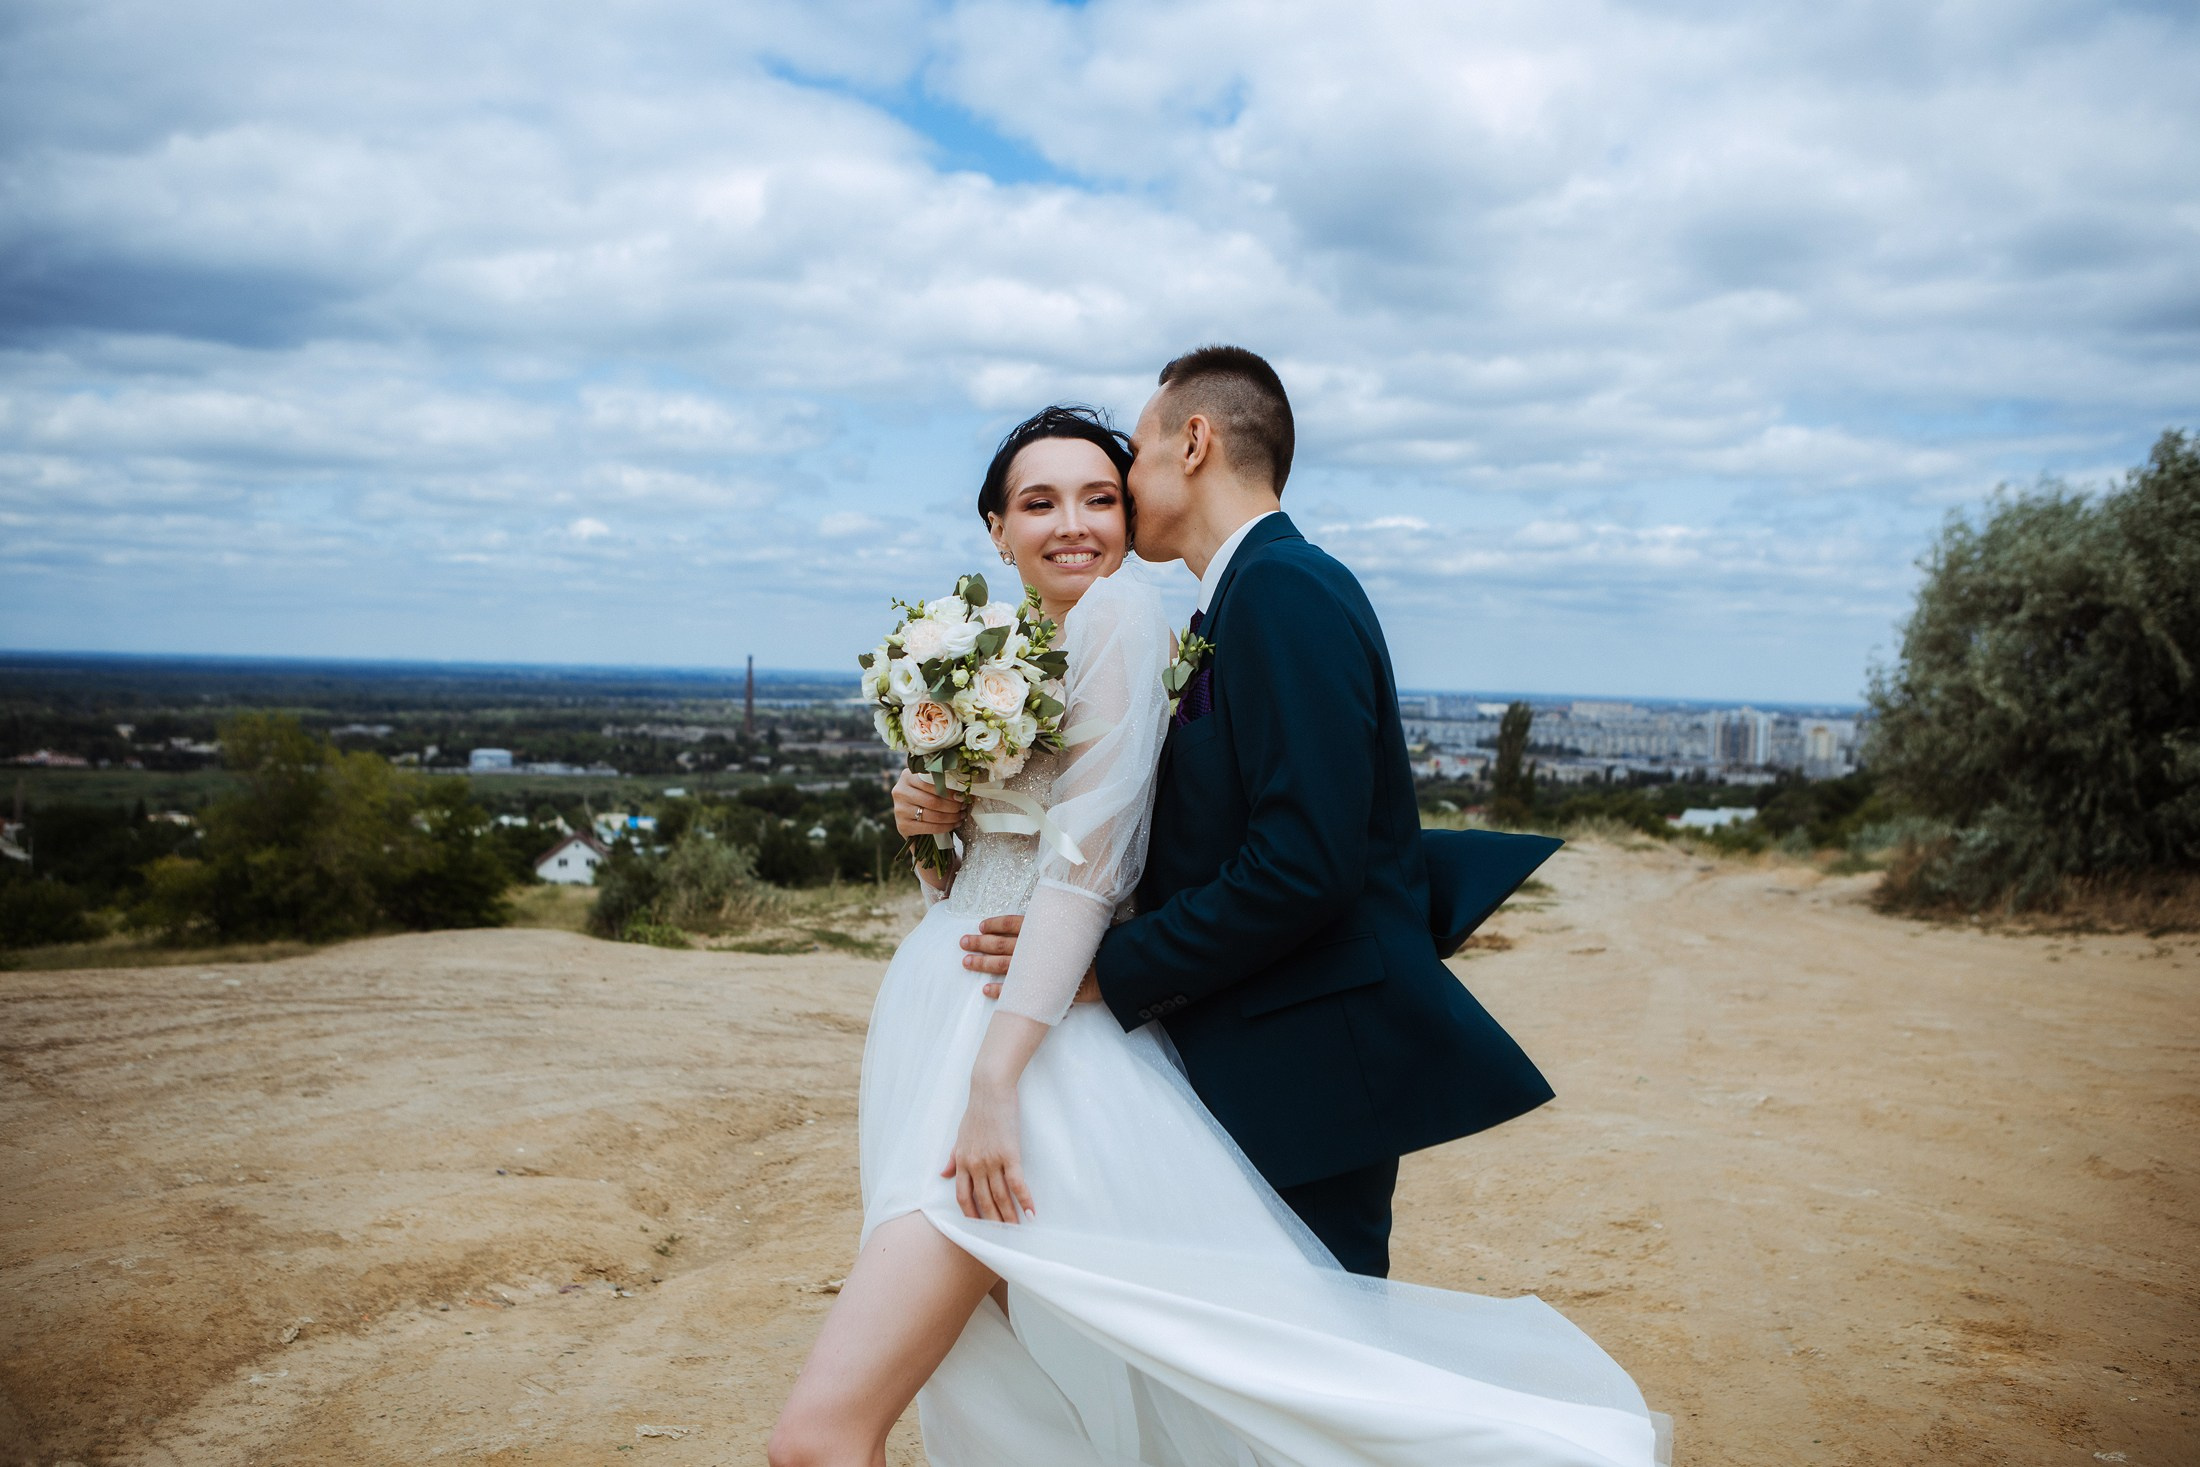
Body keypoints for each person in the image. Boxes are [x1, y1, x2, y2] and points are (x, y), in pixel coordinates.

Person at [769, 386, 1665, 1467]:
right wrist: (932, 820)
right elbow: (1041, 868)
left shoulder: (1221, 603)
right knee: (1160, 1376)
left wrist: (1051, 1024)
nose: (1089, 519)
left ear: (1188, 445)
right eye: (1041, 502)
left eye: (1108, 486)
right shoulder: (1101, 634)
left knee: (1279, 1376)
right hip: (1002, 1011)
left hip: (1068, 1038)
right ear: (993, 531)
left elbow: (1255, 866)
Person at [955, 346, 1556, 1279]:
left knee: (1318, 1355)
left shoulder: (1283, 591)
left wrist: (1110, 964)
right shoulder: (1236, 600)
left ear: (1193, 443)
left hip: (1312, 1056)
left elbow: (1303, 861)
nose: (1127, 484)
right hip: (1265, 1044)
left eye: (1135, 458)